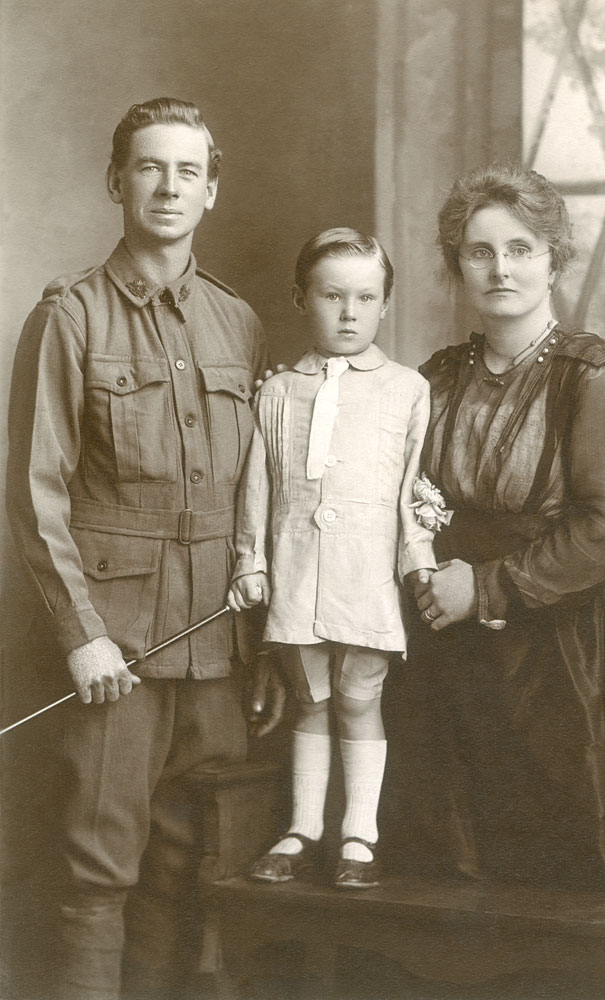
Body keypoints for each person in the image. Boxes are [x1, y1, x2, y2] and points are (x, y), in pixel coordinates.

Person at [6, 97, 285, 1000]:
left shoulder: (236, 323)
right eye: (150, 167)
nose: (169, 186)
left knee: (184, 866)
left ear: (212, 189)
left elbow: (258, 498)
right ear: (116, 180)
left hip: (214, 649)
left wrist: (266, 640)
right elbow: (33, 494)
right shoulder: (69, 318)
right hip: (116, 650)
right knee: (98, 872)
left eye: (188, 170)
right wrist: (80, 633)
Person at [402, 161, 605, 904]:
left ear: (553, 259)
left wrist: (482, 585)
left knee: (557, 881)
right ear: (457, 265)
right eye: (478, 252)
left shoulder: (593, 375)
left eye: (519, 248)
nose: (499, 268)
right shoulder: (436, 377)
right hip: (445, 658)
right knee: (445, 880)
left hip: (558, 659)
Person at [227, 228, 437, 889]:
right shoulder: (277, 391)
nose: (348, 313)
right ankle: (302, 829)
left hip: (365, 576)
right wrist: (248, 561)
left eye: (364, 298)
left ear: (384, 304)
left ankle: (359, 838)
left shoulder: (406, 389)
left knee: (357, 697)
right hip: (296, 570)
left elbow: (410, 493)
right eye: (331, 296)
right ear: (300, 299)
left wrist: (419, 564)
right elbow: (256, 486)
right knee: (308, 699)